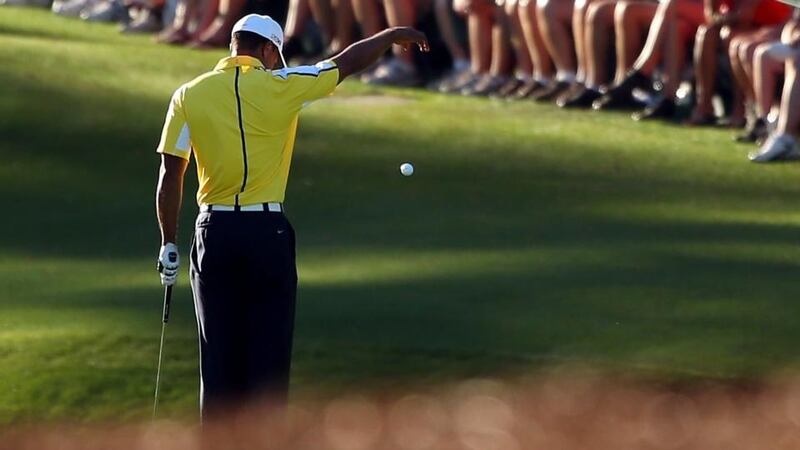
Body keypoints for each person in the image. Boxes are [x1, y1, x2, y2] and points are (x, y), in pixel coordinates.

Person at [154, 14, 429, 419]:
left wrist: (168, 242)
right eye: (278, 55)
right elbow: (347, 61)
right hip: (267, 233)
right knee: (268, 363)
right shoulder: (283, 86)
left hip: (213, 235)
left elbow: (170, 173)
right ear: (266, 50)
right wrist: (390, 35)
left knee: (218, 365)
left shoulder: (188, 95)